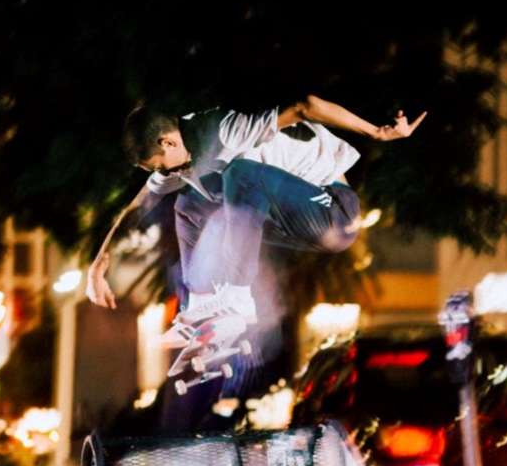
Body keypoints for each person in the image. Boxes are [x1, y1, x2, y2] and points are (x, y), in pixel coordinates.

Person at [86, 95, 426, 376]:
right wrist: (99, 263)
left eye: (159, 165)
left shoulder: (224, 130)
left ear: (169, 141)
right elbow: (139, 206)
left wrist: (376, 132)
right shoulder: (177, 159)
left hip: (333, 213)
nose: (163, 173)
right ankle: (202, 304)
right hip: (290, 220)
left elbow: (305, 106)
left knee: (239, 173)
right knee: (188, 204)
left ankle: (236, 297)